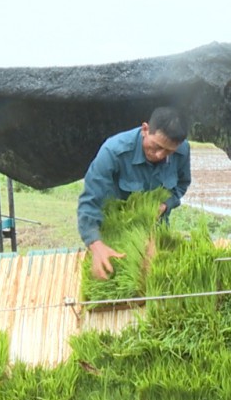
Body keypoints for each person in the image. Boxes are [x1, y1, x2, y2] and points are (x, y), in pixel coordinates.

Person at [77, 106, 192, 280]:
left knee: (157, 282)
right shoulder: (113, 151)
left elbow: (182, 184)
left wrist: (165, 205)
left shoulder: (182, 151)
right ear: (145, 129)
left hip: (156, 233)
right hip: (116, 234)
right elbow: (90, 200)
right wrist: (95, 243)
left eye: (168, 151)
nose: (160, 155)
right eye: (156, 146)